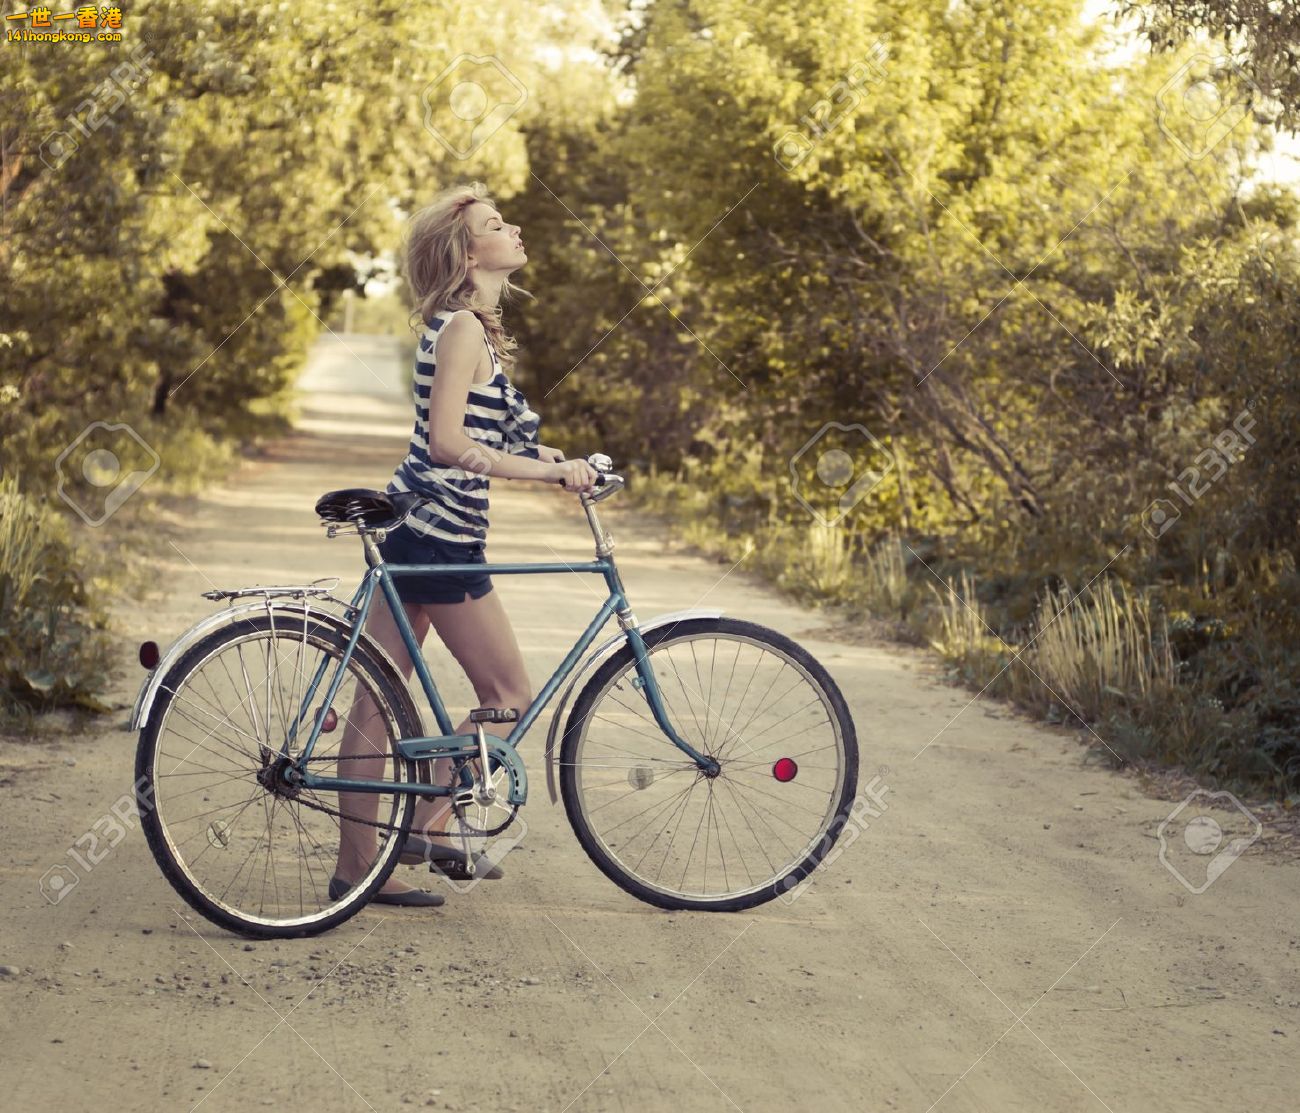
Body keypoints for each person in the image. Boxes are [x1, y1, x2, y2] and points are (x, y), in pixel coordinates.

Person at [331, 182, 599, 907]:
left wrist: (561, 462)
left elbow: (476, 432)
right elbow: (450, 443)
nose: (512, 229)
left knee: (377, 699)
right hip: (439, 536)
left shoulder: (463, 327)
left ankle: (364, 867)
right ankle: (423, 822)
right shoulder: (461, 332)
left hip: (417, 527)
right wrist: (547, 474)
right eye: (494, 224)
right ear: (467, 253)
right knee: (510, 694)